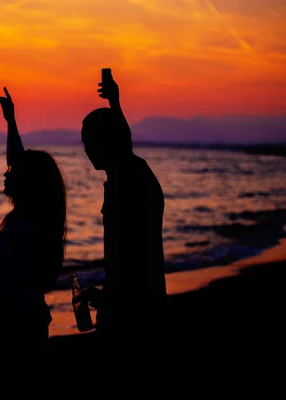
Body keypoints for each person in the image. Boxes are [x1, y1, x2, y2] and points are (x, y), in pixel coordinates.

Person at [79, 70, 168, 361]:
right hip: (136, 307)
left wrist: (111, 302)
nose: (86, 149)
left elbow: (133, 259)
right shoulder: (131, 173)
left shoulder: (128, 183)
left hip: (133, 317)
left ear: (105, 142)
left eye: (89, 141)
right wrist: (116, 105)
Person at [0, 87, 67, 387]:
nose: (6, 171)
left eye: (11, 170)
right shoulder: (29, 216)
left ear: (28, 183)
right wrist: (10, 120)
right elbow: (17, 158)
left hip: (20, 343)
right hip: (13, 338)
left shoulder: (31, 228)